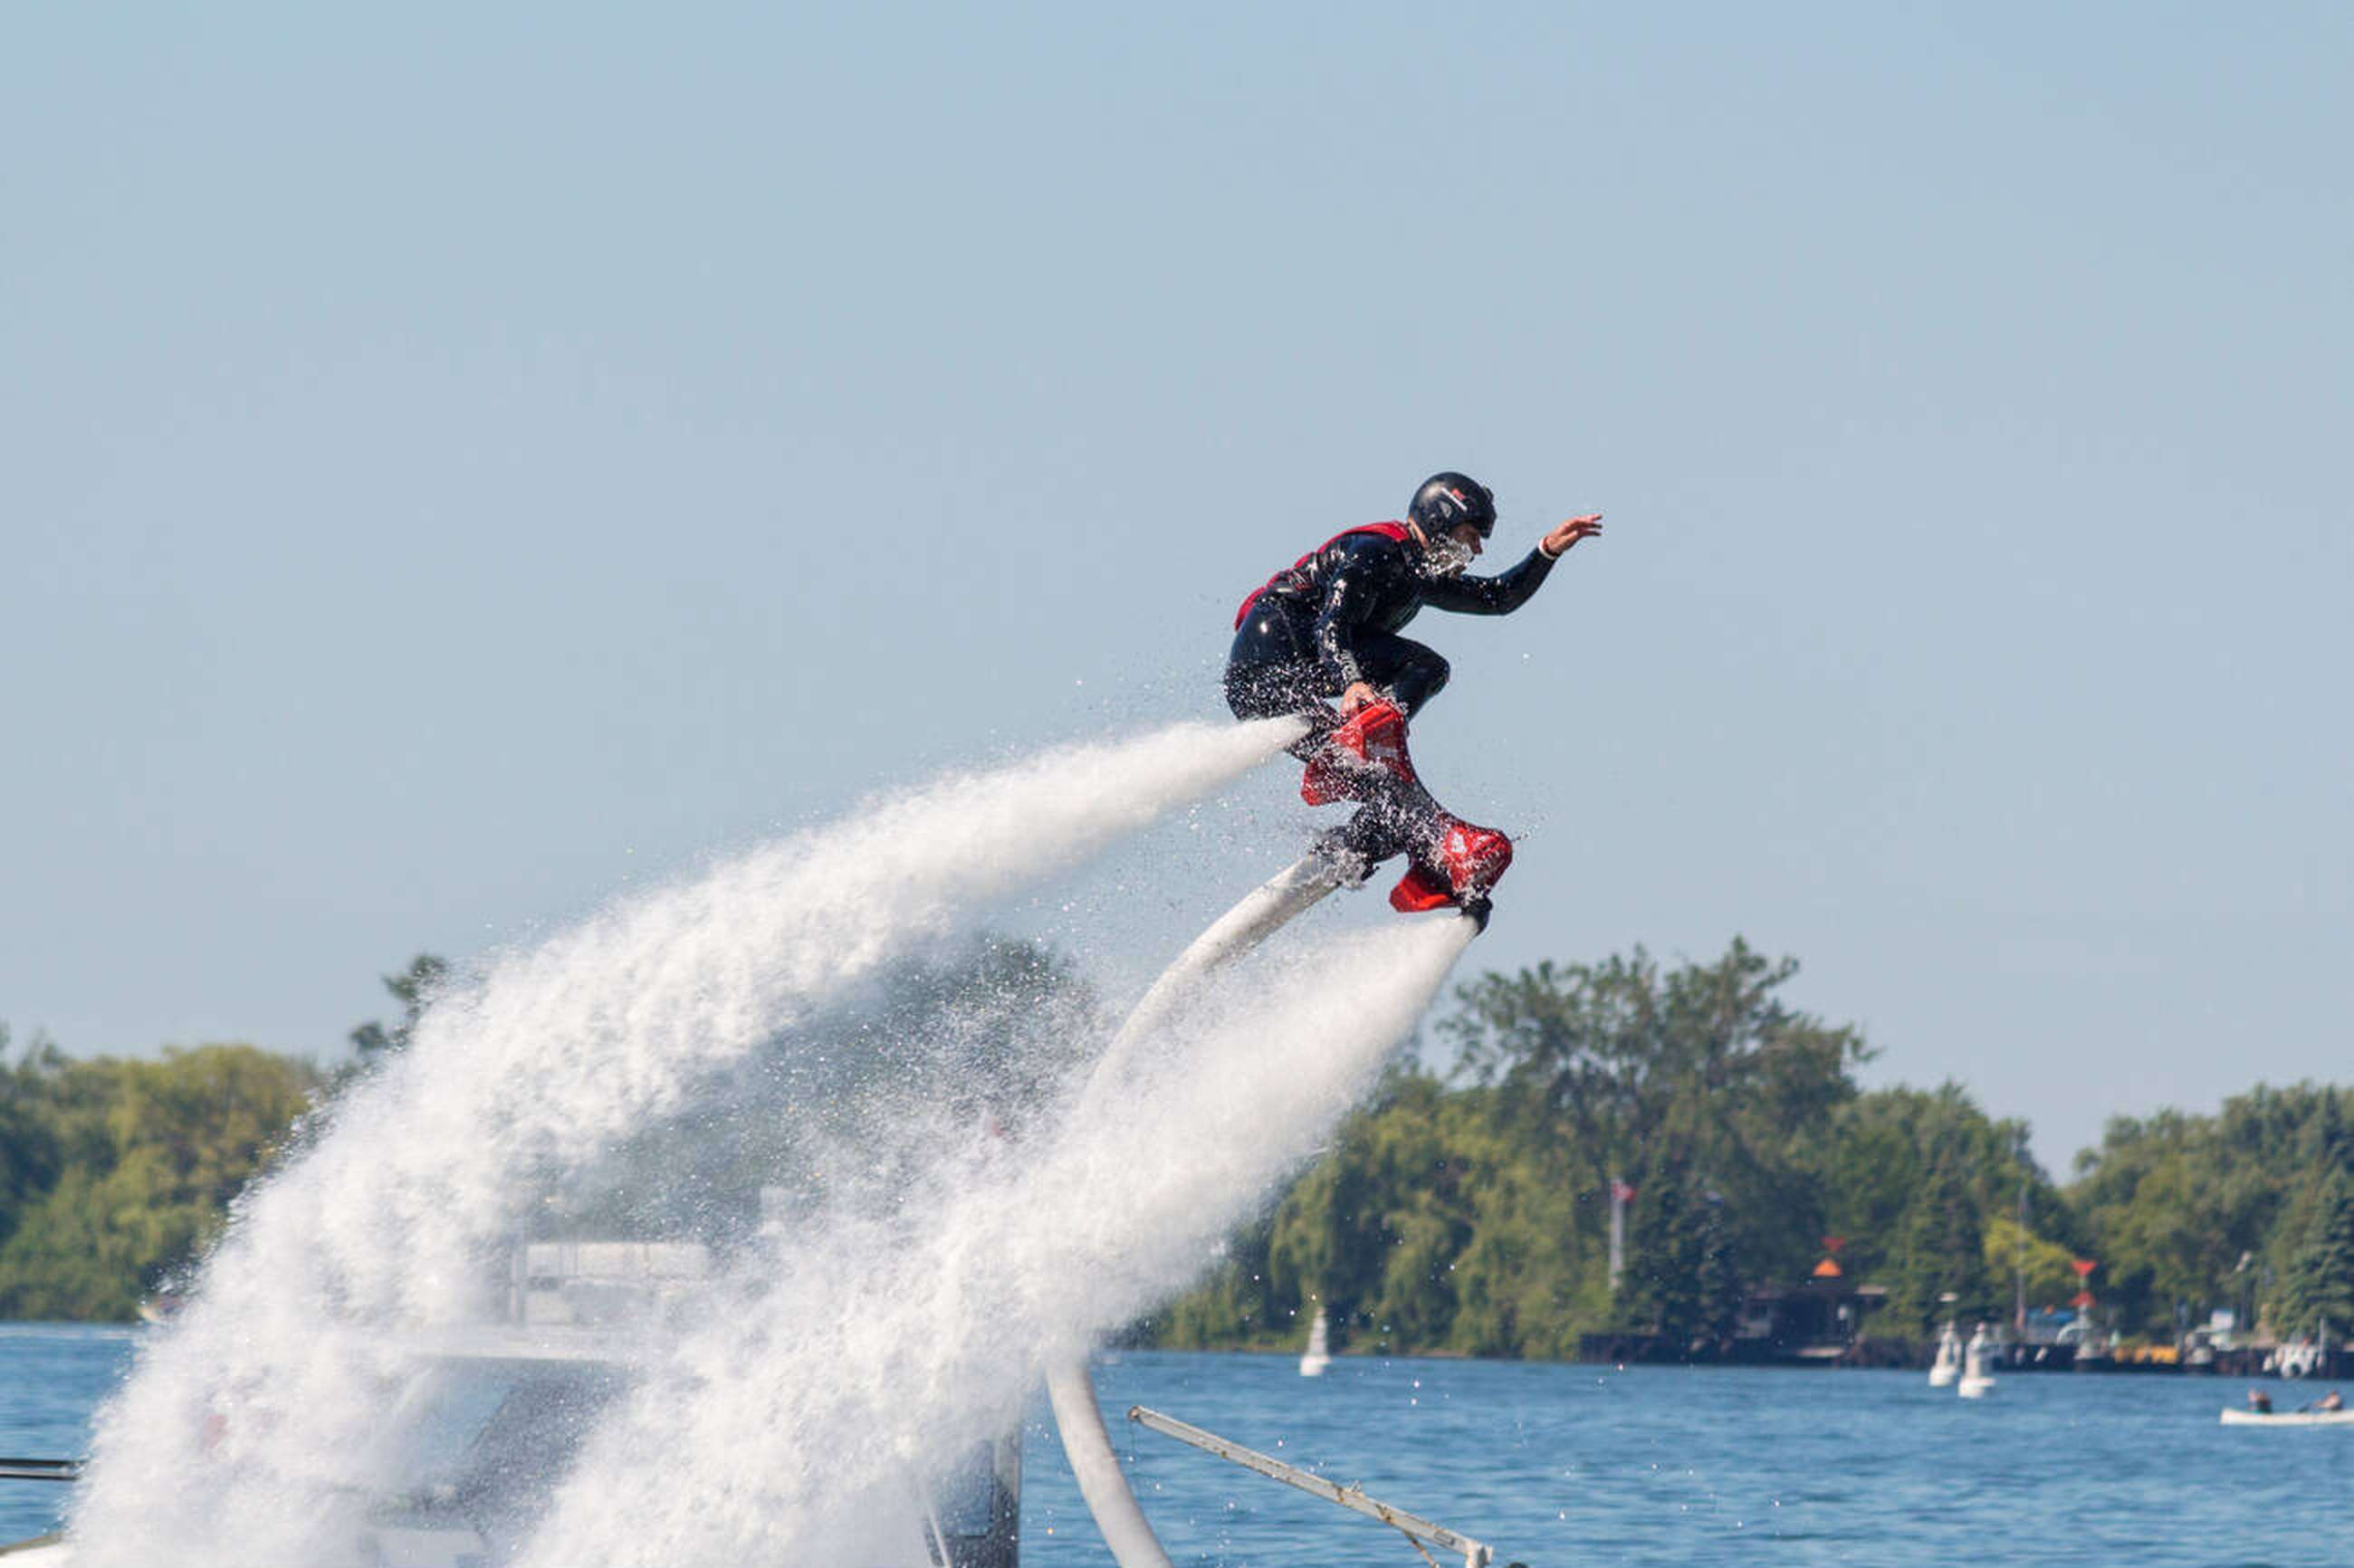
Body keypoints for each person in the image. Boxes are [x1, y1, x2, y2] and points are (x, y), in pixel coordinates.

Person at [1225, 472, 1602, 906]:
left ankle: (1353, 850)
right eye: (1471, 536)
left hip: (1300, 679)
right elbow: (1332, 625)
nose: (1477, 550)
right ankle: (1376, 733)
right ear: (1441, 520)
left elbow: (1497, 598)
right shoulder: (1374, 552)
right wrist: (1353, 682)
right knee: (1425, 667)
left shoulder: (1420, 575)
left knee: (1389, 790)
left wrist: (1547, 551)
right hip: (1265, 670)